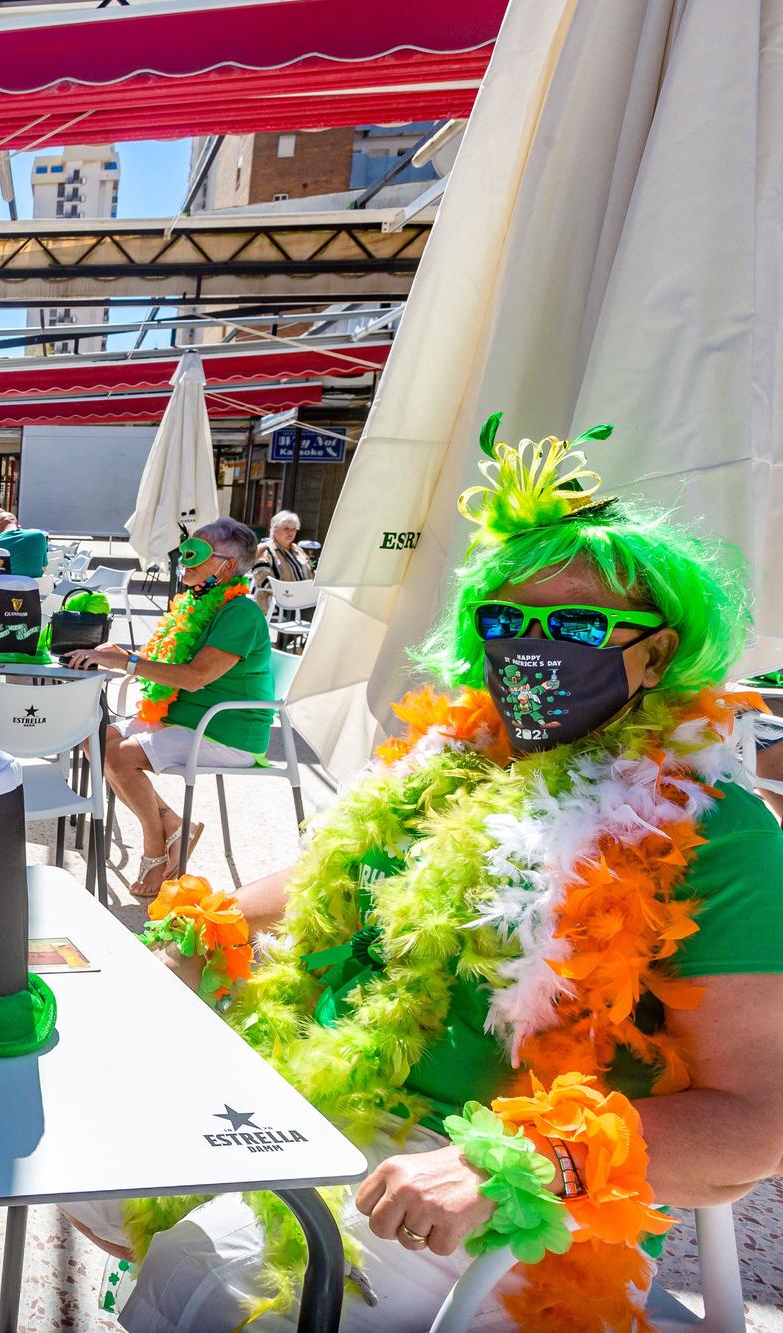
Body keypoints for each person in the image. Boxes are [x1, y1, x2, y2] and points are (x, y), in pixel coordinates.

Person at [65, 421, 783, 1332]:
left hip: (496, 1206)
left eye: (575, 624)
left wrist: (511, 1165)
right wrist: (199, 933)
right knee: (93, 1142)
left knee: (220, 1283)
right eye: (506, 620)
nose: (533, 644)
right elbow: (320, 878)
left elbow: (751, 1131)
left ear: (657, 650)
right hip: (324, 1093)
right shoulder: (450, 763)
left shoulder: (709, 830)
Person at [67, 518, 272, 899]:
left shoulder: (240, 612)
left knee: (119, 756)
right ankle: (174, 823)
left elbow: (195, 677)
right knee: (94, 740)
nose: (185, 559)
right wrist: (116, 656)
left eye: (198, 553)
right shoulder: (197, 604)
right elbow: (169, 657)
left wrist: (126, 662)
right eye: (187, 549)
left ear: (226, 566)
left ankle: (154, 846)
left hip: (226, 730)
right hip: (184, 719)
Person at [252, 509, 314, 612]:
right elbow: (261, 577)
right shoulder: (265, 549)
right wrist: (287, 593)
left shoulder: (298, 550)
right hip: (278, 603)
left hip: (303, 602)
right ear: (274, 529)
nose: (290, 532)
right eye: (286, 529)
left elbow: (311, 574)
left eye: (293, 529)